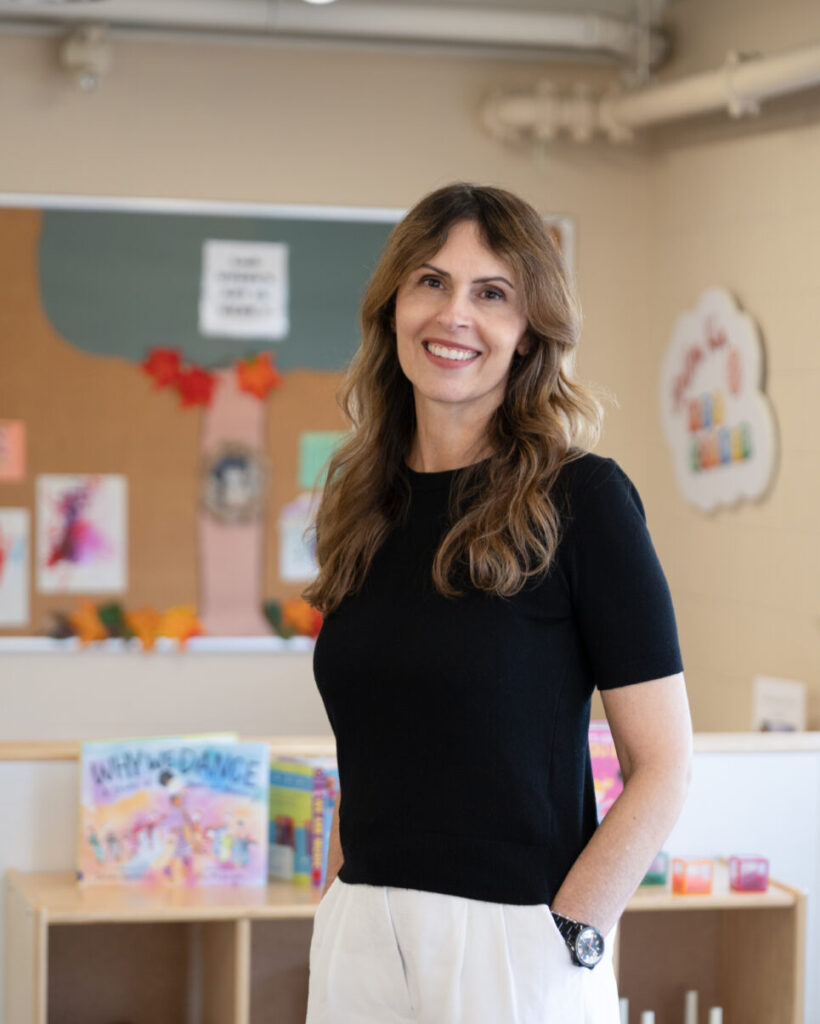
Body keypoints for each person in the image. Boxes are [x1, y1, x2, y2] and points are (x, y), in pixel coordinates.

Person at [303, 183, 692, 1024]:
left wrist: (572, 928)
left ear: (528, 334)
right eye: (431, 282)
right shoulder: (363, 502)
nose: (455, 316)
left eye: (492, 293)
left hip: (514, 941)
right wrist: (344, 900)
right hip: (360, 928)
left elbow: (663, 764)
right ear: (393, 308)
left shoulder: (584, 500)